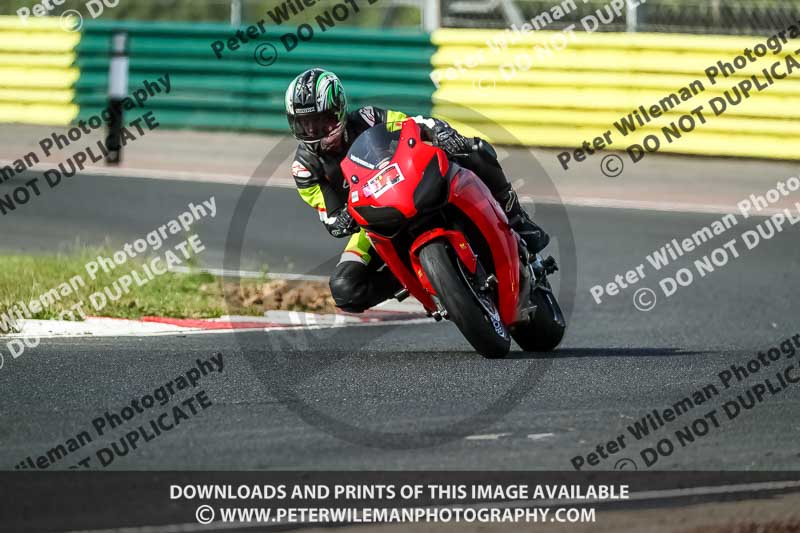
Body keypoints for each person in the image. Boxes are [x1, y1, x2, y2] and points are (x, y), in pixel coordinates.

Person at [286, 68, 549, 313]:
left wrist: (441, 132)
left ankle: (517, 218)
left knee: (475, 150)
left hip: (410, 180)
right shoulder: (305, 168)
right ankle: (418, 280)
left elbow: (414, 123)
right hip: (371, 219)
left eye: (322, 122)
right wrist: (342, 220)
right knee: (345, 289)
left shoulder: (367, 119)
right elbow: (330, 217)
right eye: (305, 124)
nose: (314, 131)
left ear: (339, 111)